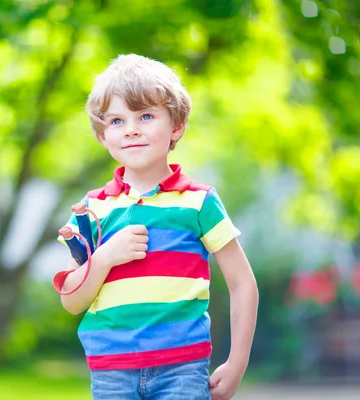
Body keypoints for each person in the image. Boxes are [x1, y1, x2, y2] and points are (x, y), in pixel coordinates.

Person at [53, 54, 258, 400]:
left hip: (182, 370)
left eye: (145, 116)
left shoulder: (199, 202)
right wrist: (104, 258)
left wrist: (237, 363)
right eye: (117, 121)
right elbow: (71, 301)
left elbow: (243, 284)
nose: (131, 129)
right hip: (111, 373)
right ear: (103, 135)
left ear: (176, 125)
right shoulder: (91, 210)